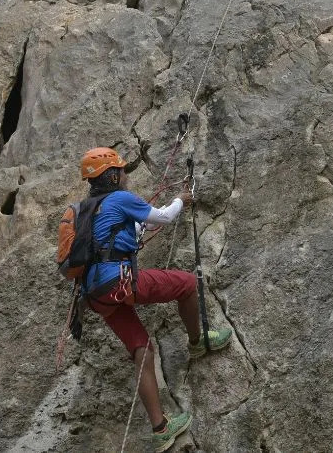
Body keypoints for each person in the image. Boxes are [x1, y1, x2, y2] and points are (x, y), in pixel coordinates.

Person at [68, 147, 233, 452]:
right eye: (122, 171)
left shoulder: (87, 210)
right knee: (185, 284)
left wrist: (150, 222)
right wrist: (181, 200)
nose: (126, 177)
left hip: (95, 296)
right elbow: (166, 217)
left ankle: (160, 430)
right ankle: (198, 343)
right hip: (119, 282)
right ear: (113, 175)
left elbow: (140, 226)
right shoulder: (120, 199)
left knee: (142, 350)